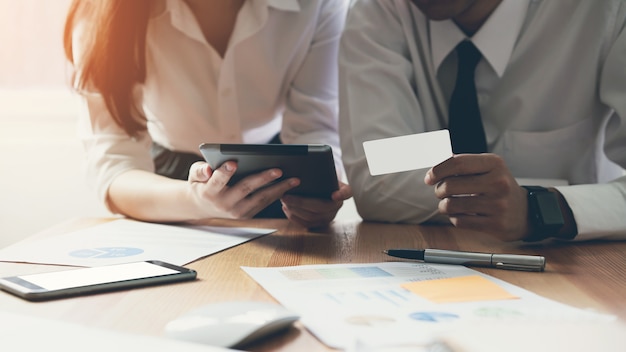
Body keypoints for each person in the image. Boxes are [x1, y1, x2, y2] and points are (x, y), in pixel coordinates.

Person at [339, 0, 626, 241]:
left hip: (575, 269)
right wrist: (554, 197)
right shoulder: (380, 9)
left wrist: (540, 207)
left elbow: (387, 171)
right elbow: (377, 178)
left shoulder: (603, 10)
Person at [63, 0, 352, 229]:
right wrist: (194, 200)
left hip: (283, 173)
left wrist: (322, 191)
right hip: (165, 187)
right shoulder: (101, 15)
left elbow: (316, 126)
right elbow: (115, 166)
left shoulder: (318, 6)